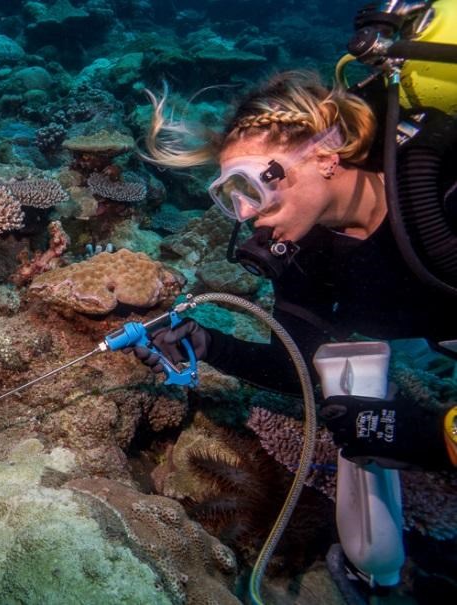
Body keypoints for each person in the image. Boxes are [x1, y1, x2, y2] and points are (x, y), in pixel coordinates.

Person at [138, 71, 457, 471]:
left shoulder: (441, 196)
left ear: (325, 157)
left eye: (252, 186)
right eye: (230, 195)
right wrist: (209, 346)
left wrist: (437, 436)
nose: (246, 213)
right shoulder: (306, 254)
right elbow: (298, 367)